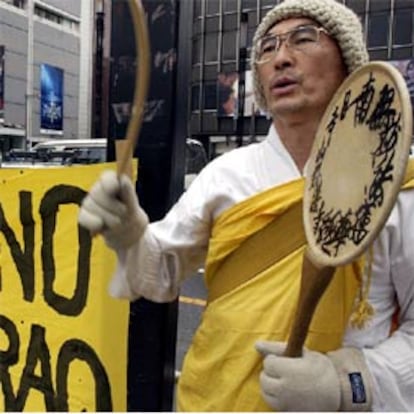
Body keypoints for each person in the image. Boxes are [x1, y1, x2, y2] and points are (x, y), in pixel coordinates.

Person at [78, 0, 414, 411]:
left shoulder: (395, 186)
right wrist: (131, 234)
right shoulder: (227, 174)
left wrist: (347, 383)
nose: (281, 58)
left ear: (349, 64)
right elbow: (160, 272)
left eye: (303, 39)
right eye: (268, 48)